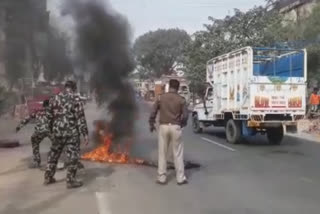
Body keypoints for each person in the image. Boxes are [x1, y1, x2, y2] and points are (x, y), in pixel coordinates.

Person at [44, 80, 89, 189]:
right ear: (74, 88)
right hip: (71, 132)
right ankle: (70, 180)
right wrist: (85, 134)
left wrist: (50, 131)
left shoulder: (54, 98)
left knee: (53, 154)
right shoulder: (75, 99)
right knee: (73, 156)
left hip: (57, 132)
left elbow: (48, 117)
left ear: (66, 87)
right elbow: (80, 118)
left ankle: (48, 177)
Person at [149, 79, 189, 185]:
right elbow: (185, 115)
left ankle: (162, 177)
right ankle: (180, 178)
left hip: (163, 127)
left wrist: (151, 123)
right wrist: (181, 124)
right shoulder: (181, 99)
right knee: (178, 153)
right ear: (178, 87)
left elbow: (153, 111)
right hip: (176, 127)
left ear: (169, 86)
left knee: (162, 153)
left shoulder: (161, 97)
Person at [16, 100, 53, 169]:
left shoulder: (38, 112)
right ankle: (53, 160)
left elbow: (27, 119)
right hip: (50, 131)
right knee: (58, 145)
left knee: (34, 142)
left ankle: (37, 161)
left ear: (43, 106)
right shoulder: (53, 112)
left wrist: (19, 127)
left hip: (39, 131)